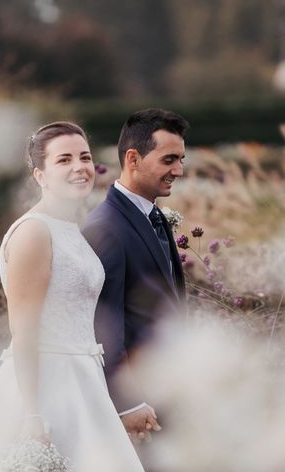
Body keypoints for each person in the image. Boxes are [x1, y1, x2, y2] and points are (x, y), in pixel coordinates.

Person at [0, 122, 144, 471]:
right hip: (46, 388)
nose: (79, 167)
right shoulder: (34, 232)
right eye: (64, 159)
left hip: (84, 381)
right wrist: (32, 414)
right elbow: (24, 332)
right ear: (40, 175)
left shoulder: (69, 229)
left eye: (84, 157)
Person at [82, 108, 188, 444]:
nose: (179, 170)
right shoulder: (106, 229)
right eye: (169, 159)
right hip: (139, 405)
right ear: (133, 158)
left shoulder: (152, 215)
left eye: (181, 159)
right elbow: (102, 327)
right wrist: (128, 404)